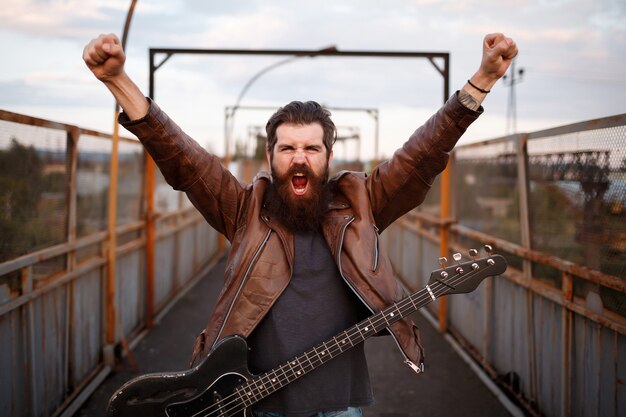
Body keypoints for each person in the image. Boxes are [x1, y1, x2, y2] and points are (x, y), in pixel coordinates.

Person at [83, 32, 517, 417]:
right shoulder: (243, 210)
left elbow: (421, 156)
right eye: (287, 147)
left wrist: (481, 81)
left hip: (340, 402)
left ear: (328, 157)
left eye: (312, 147)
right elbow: (185, 160)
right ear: (271, 156)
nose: (299, 157)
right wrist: (117, 81)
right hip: (255, 403)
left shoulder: (362, 204)